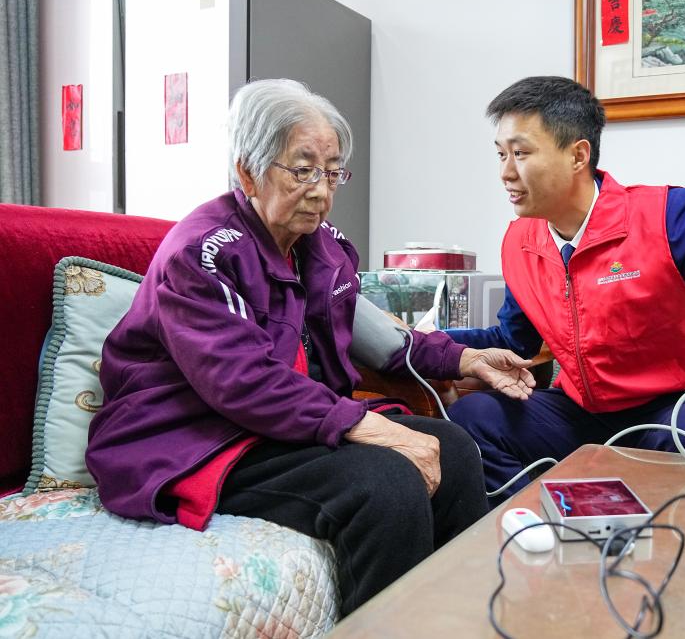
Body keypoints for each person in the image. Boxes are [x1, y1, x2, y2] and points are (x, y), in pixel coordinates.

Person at [85, 78, 534, 616]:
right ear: (248, 172)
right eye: (302, 170)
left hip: (281, 427)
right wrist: (374, 429)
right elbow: (244, 382)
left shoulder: (320, 247)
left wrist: (465, 359)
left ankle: (460, 619)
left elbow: (375, 336)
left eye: (332, 171)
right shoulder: (203, 252)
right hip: (197, 435)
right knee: (386, 482)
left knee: (455, 449)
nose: (321, 191)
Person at [444, 76, 685, 501]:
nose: (506, 172)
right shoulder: (519, 243)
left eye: (521, 153)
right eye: (501, 154)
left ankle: (658, 536)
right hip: (582, 414)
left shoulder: (662, 215)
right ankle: (551, 524)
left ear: (578, 155)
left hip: (677, 406)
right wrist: (421, 343)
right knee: (474, 415)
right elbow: (512, 341)